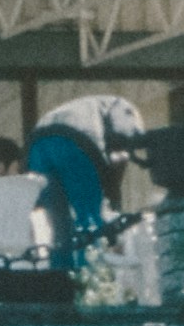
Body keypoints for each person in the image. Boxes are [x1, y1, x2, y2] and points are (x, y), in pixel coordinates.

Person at [18, 96, 142, 275]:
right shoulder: (125, 108)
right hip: (77, 140)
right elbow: (122, 146)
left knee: (58, 226)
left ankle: (61, 284)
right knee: (89, 220)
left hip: (37, 144)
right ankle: (91, 283)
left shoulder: (94, 104)